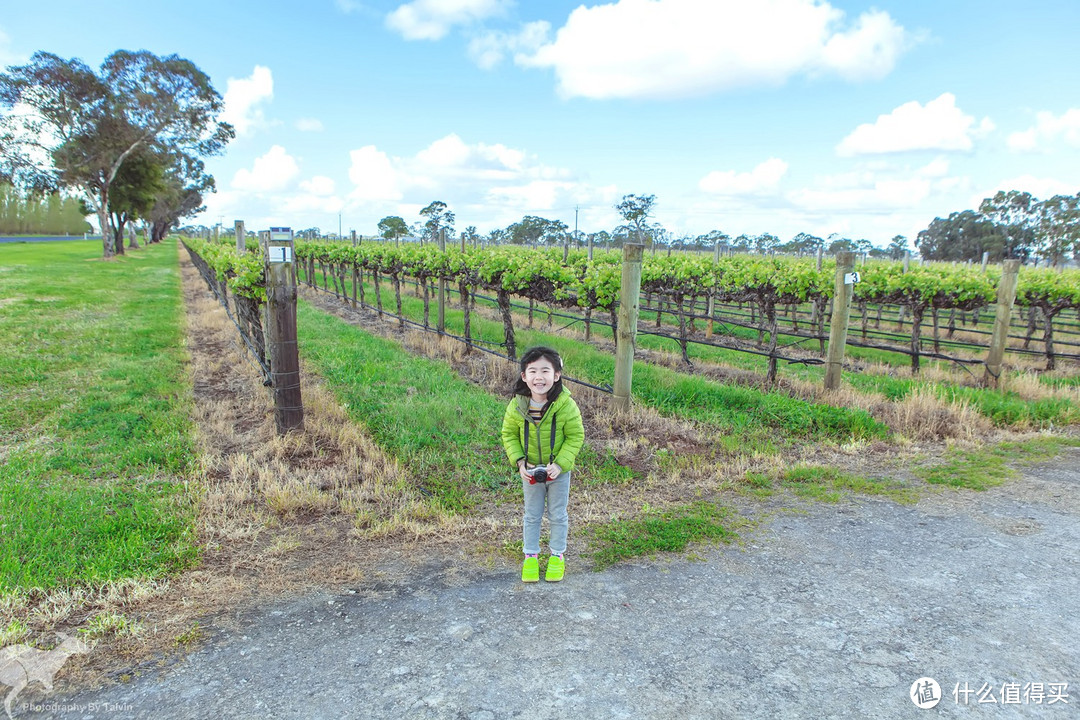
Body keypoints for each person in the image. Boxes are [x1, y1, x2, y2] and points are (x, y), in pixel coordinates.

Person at [501, 346, 585, 583]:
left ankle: (557, 556)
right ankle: (531, 556)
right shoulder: (517, 406)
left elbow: (575, 436)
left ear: (556, 375)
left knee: (558, 514)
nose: (540, 377)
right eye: (533, 371)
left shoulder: (566, 405)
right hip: (530, 472)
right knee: (532, 514)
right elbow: (508, 434)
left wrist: (560, 464)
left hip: (558, 471)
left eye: (546, 371)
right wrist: (519, 463)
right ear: (524, 376)